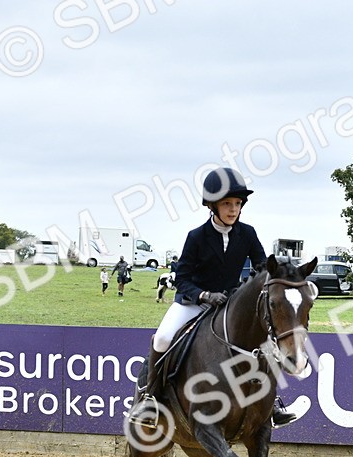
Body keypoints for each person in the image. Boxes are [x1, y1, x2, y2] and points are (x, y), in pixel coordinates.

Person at [128, 167, 299, 429]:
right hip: (193, 303)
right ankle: (150, 398)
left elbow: (263, 267)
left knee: (266, 340)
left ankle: (273, 402)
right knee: (162, 337)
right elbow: (182, 277)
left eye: (237, 203)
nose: (233, 209)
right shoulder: (196, 237)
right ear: (212, 206)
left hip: (229, 306)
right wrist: (204, 295)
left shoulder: (248, 233)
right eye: (227, 204)